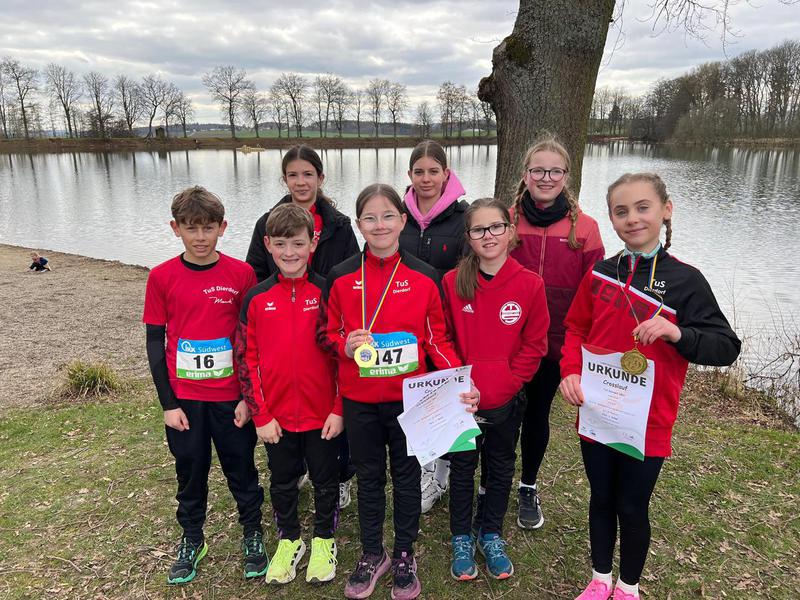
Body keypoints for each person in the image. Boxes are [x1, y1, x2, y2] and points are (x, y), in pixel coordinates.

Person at [559, 173, 741, 600]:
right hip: (598, 411)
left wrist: (678, 333)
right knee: (601, 499)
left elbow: (726, 347)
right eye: (621, 211)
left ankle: (627, 587)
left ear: (666, 210)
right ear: (611, 219)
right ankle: (599, 579)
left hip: (648, 421)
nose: (632, 219)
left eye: (643, 208)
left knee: (631, 506)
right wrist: (570, 371)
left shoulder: (686, 281)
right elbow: (575, 328)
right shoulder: (600, 272)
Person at [318, 183, 479, 600]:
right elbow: (326, 334)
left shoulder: (425, 276)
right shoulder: (341, 276)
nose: (380, 225)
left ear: (403, 220)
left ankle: (405, 552)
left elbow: (437, 339)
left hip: (410, 401)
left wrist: (461, 381)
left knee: (406, 478)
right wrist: (344, 345)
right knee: (370, 477)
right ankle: (374, 553)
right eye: (370, 218)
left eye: (388, 216)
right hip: (359, 401)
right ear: (359, 224)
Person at [143, 186, 266, 585]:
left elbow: (250, 339)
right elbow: (155, 341)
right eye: (191, 228)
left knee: (241, 469)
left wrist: (248, 397)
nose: (200, 237)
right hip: (185, 401)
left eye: (208, 228)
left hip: (231, 399)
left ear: (222, 228)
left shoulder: (241, 274)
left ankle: (252, 533)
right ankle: (192, 538)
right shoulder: (161, 276)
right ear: (175, 228)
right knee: (190, 471)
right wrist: (168, 403)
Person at [246, 145, 359, 510]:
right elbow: (256, 272)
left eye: (307, 174)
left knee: (329, 405)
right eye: (292, 175)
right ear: (284, 179)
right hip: (282, 315)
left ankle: (339, 475)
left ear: (320, 178)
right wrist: (273, 307)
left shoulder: (339, 225)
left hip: (325, 316)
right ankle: (294, 469)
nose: (300, 181)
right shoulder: (267, 222)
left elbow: (350, 273)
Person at [442, 198, 549, 581]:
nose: (488, 236)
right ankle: (461, 537)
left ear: (510, 231)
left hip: (506, 399)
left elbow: (534, 345)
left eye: (495, 227)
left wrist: (505, 384)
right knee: (462, 469)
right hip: (462, 400)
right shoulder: (453, 282)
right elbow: (441, 336)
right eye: (478, 229)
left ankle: (490, 534)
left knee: (501, 467)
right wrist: (460, 380)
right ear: (469, 237)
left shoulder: (530, 284)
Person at [237, 204, 343, 585]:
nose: (289, 252)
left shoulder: (328, 291)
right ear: (267, 244)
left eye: (298, 243)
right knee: (282, 480)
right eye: (280, 244)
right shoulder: (256, 298)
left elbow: (342, 357)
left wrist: (338, 409)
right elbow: (246, 359)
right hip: (276, 418)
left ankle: (324, 539)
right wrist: (261, 414)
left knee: (325, 480)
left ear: (313, 243)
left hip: (322, 415)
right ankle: (289, 540)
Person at [510, 135, 605, 529]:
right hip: (508, 341)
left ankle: (527, 486)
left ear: (566, 176)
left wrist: (585, 351)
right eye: (538, 170)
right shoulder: (506, 221)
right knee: (500, 416)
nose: (546, 178)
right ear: (526, 174)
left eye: (554, 171)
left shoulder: (586, 228)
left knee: (536, 414)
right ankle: (488, 488)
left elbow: (595, 295)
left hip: (554, 345)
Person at [399, 139, 469, 514]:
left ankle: (442, 473)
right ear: (409, 175)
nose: (426, 179)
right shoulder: (399, 215)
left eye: (433, 171)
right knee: (419, 395)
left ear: (446, 174)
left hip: (448, 324)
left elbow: (470, 271)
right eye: (419, 172)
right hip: (408, 324)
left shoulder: (463, 217)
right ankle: (424, 467)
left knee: (446, 395)